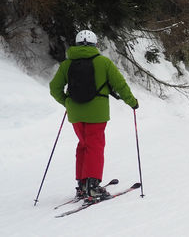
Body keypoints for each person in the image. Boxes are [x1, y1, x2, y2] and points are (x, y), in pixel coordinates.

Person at [49, 30, 138, 202]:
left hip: (75, 113)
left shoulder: (67, 64)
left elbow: (54, 88)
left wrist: (67, 102)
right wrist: (132, 102)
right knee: (95, 147)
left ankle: (82, 186)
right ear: (95, 44)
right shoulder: (103, 62)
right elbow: (120, 85)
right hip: (97, 113)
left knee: (83, 145)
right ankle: (93, 188)